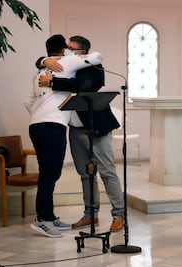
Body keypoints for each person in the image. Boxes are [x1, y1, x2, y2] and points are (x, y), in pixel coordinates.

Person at [37, 35, 125, 232]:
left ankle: (119, 214)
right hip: (75, 128)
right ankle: (90, 215)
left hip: (96, 125)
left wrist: (53, 82)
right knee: (85, 174)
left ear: (82, 52)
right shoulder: (62, 65)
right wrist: (43, 61)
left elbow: (84, 86)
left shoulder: (93, 67)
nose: (65, 51)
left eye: (70, 48)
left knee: (107, 171)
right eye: (65, 48)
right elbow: (41, 61)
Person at [25, 34, 103, 238]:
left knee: (47, 172)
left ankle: (48, 216)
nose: (69, 51)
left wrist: (43, 61)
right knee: (51, 174)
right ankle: (42, 220)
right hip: (52, 125)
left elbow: (28, 102)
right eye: (67, 48)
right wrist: (57, 59)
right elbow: (96, 57)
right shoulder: (66, 62)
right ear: (62, 51)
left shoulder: (39, 72)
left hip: (36, 125)